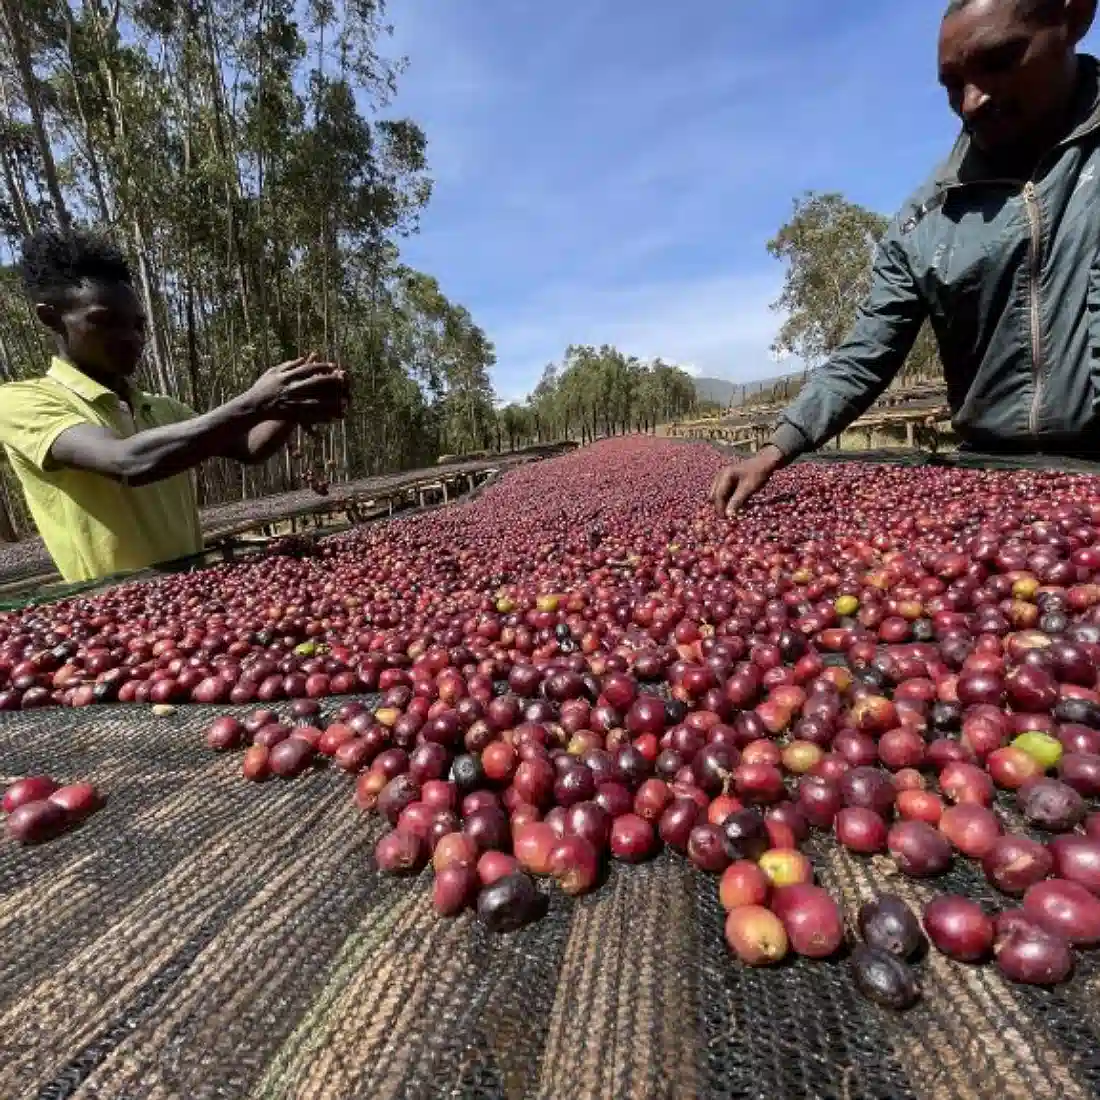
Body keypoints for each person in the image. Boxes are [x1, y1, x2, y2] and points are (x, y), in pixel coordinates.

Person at [712, 0, 1100, 517]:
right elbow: (866, 353)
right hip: (992, 475)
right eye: (951, 85)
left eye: (999, 59)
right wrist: (775, 448)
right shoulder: (929, 218)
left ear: (1074, 18)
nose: (971, 101)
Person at [0, 228, 349, 582]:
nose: (131, 338)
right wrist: (257, 401)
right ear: (51, 318)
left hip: (190, 597)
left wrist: (292, 402)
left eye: (139, 326)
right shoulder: (22, 402)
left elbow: (250, 447)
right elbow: (127, 461)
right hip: (112, 615)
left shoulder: (160, 408)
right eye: (105, 321)